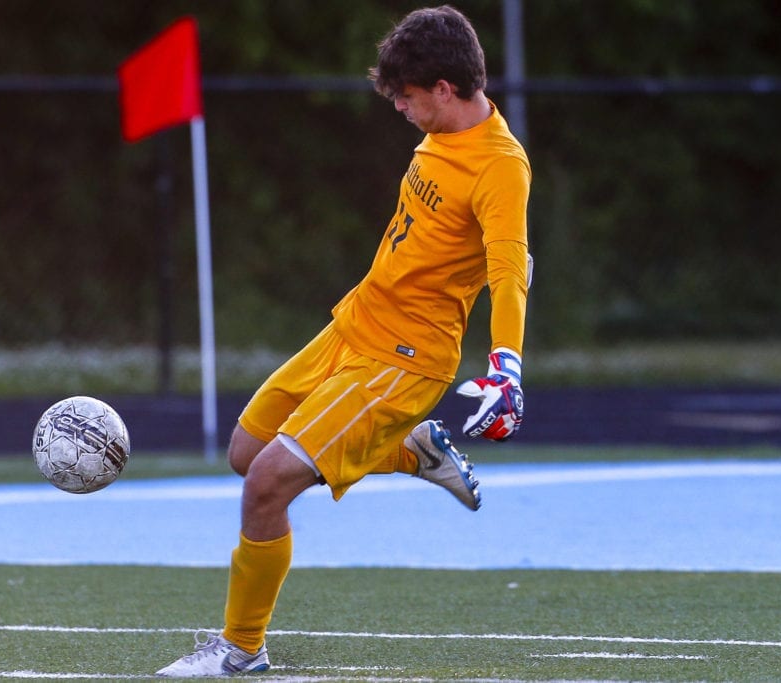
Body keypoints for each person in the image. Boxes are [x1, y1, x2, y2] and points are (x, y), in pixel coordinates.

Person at [156, 4, 531, 677]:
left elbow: (510, 269)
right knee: (246, 452)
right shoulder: (439, 131)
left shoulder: (501, 167)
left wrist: (507, 365)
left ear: (446, 89)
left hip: (403, 359)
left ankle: (242, 648)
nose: (401, 109)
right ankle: (411, 454)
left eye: (408, 97)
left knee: (267, 485)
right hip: (354, 325)